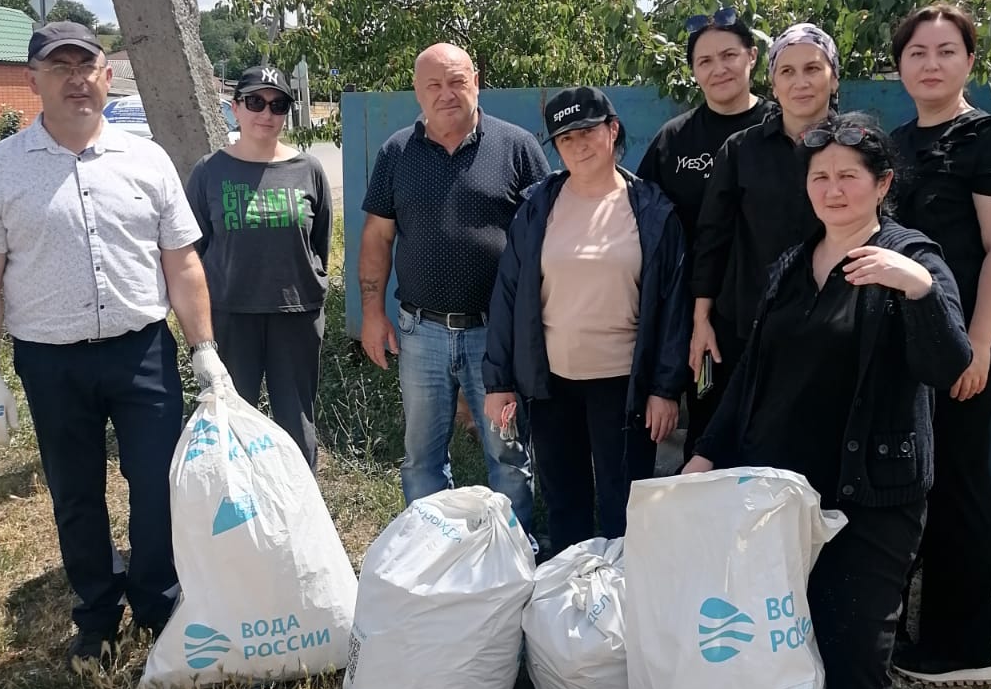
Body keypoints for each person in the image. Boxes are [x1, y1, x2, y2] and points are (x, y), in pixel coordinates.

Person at [684, 113, 971, 689]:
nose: (833, 189)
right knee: (784, 655)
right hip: (782, 503)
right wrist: (706, 455)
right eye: (820, 177)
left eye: (850, 175)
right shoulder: (791, 266)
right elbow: (750, 380)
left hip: (871, 502)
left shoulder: (912, 259)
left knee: (853, 662)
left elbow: (947, 366)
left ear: (883, 184)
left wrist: (914, 292)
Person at [0, 21, 229, 674]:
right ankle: (97, 620)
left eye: (88, 66)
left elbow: (182, 263)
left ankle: (159, 606)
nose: (76, 79)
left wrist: (204, 349)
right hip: (52, 362)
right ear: (34, 81)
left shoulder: (147, 160)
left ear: (108, 77)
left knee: (158, 485)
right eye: (60, 67)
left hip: (142, 353)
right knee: (76, 492)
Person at [888, 4, 991, 686]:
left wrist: (976, 346)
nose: (931, 64)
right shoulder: (893, 145)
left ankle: (965, 646)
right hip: (903, 346)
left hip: (965, 350)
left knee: (959, 488)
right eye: (917, 53)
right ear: (900, 66)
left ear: (969, 62)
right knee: (912, 485)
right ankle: (902, 634)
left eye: (946, 51)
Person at [484, 87, 688, 554]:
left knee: (626, 504)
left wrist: (665, 389)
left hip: (624, 386)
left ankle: (622, 602)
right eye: (564, 137)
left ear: (612, 131)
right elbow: (509, 294)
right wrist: (499, 381)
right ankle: (569, 602)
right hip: (551, 382)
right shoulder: (538, 206)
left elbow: (674, 306)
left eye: (588, 131)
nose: (578, 144)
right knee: (564, 500)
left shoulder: (653, 211)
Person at [358, 43, 549, 527]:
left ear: (476, 80)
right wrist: (373, 313)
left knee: (508, 457)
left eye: (457, 81)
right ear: (417, 92)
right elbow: (378, 237)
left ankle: (514, 558)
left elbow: (548, 235)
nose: (446, 94)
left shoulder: (517, 147)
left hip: (497, 338)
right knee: (421, 460)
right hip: (420, 333)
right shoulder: (397, 152)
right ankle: (430, 558)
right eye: (433, 85)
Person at [186, 65, 332, 469]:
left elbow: (319, 243)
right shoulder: (209, 172)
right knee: (231, 418)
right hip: (231, 315)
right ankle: (236, 510)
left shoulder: (308, 170)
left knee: (296, 421)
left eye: (277, 104)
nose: (266, 113)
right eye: (255, 102)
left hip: (296, 314)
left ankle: (299, 506)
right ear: (235, 108)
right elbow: (193, 253)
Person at [690, 22, 839, 415]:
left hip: (832, 328)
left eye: (813, 69)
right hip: (745, 327)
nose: (800, 82)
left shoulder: (856, 147)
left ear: (833, 77)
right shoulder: (741, 150)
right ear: (773, 83)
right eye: (787, 72)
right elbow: (712, 239)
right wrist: (701, 320)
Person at [636, 6, 767, 452]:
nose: (718, 69)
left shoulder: (778, 130)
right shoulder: (675, 140)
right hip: (701, 324)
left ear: (751, 57)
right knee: (708, 416)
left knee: (771, 423)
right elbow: (642, 221)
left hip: (771, 311)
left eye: (728, 55)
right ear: (693, 72)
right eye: (704, 61)